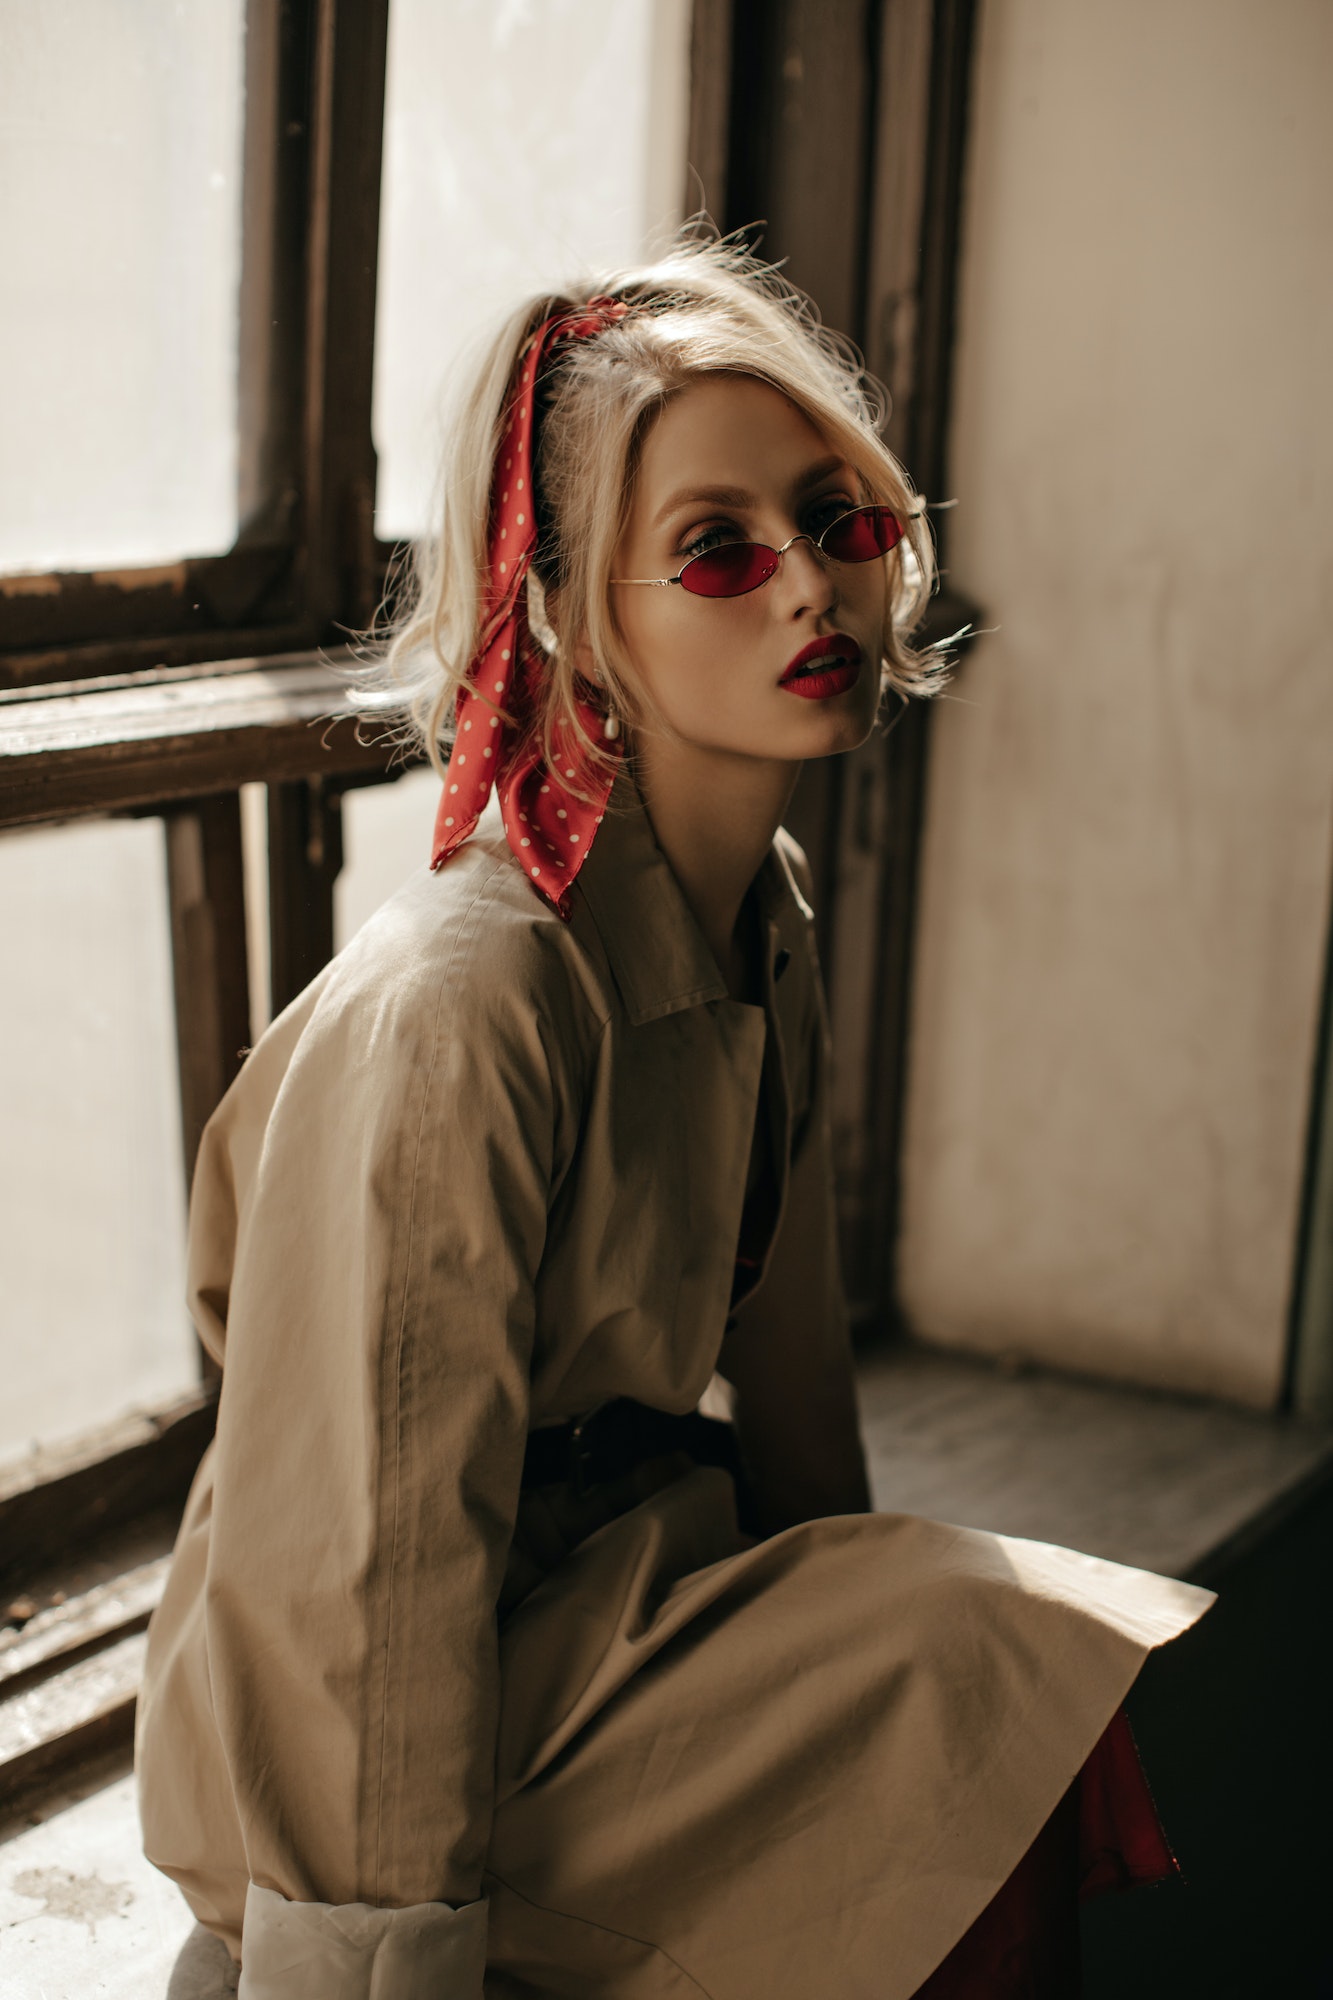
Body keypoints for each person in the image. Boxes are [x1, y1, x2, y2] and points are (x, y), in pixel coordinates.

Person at [137, 235, 1211, 1999]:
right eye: (717, 550)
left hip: (618, 1609)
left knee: (1006, 1684)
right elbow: (368, 1568)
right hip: (371, 1736)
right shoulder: (467, 1003)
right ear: (570, 613)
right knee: (981, 1660)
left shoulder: (757, 910)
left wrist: (850, 1615)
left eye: (837, 522)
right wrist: (376, 1963)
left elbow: (793, 1385)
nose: (809, 589)